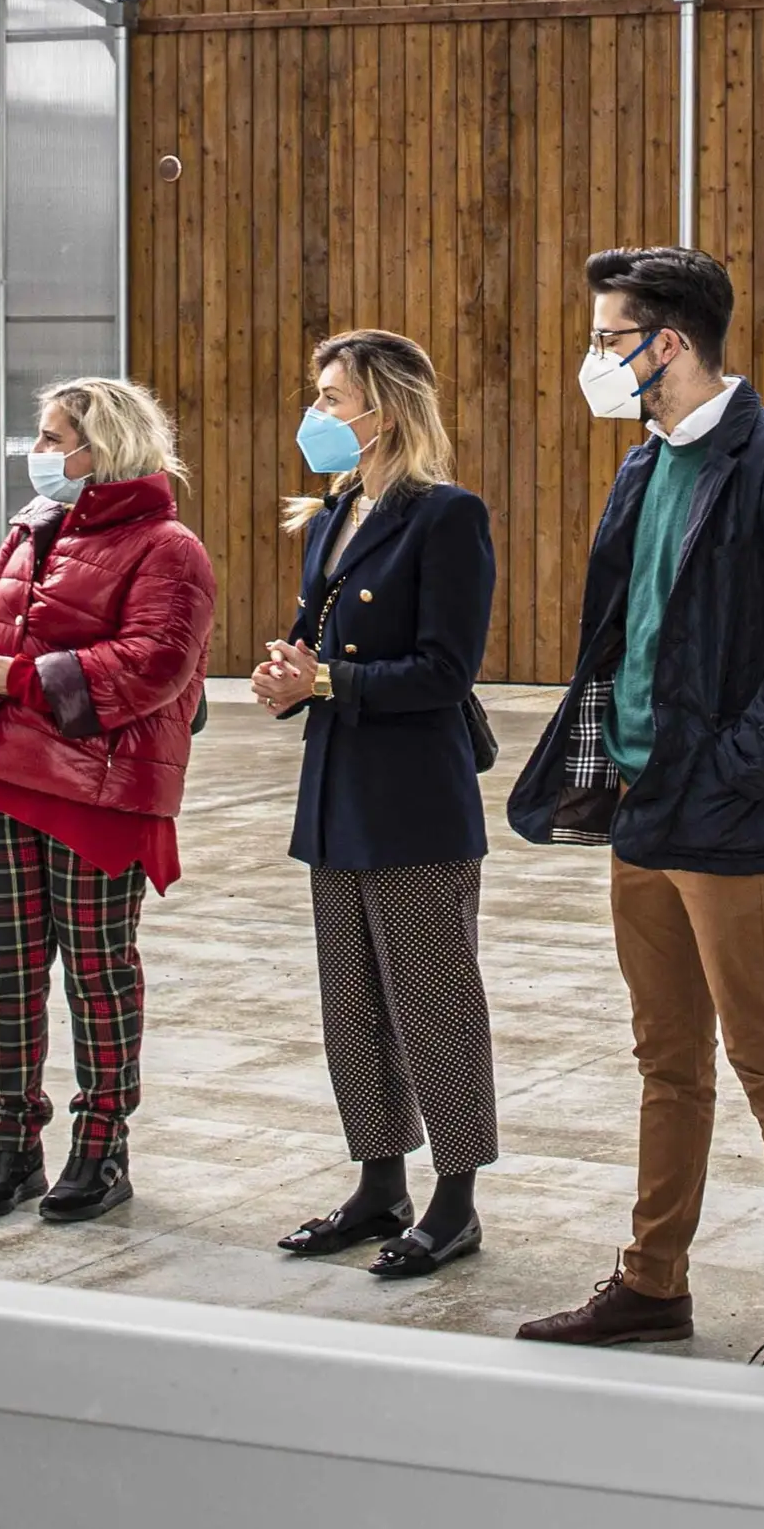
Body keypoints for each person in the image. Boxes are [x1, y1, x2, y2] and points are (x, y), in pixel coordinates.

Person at [510, 246, 764, 1370]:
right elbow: (622, 637)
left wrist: (730, 768)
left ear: (667, 343)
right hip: (642, 814)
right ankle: (650, 1284)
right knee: (667, 1065)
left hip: (738, 826)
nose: (595, 357)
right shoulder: (640, 465)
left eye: (608, 336)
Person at [0, 377, 215, 1226]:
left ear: (106, 448)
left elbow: (155, 664)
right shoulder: (32, 525)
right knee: (6, 971)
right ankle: (12, 1144)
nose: (41, 453)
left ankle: (101, 1145)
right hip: (2, 773)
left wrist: (13, 677)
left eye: (57, 439)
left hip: (98, 790)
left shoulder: (169, 548)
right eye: (42, 437)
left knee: (96, 974)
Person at [254, 330, 500, 1280]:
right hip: (335, 796)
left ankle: (456, 1200)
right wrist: (286, 673)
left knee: (434, 1006)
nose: (316, 415)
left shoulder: (446, 517)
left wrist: (329, 686)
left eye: (330, 398)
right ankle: (379, 1182)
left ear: (383, 410)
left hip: (414, 801)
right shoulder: (330, 516)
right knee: (352, 1003)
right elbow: (316, 636)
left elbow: (446, 669)